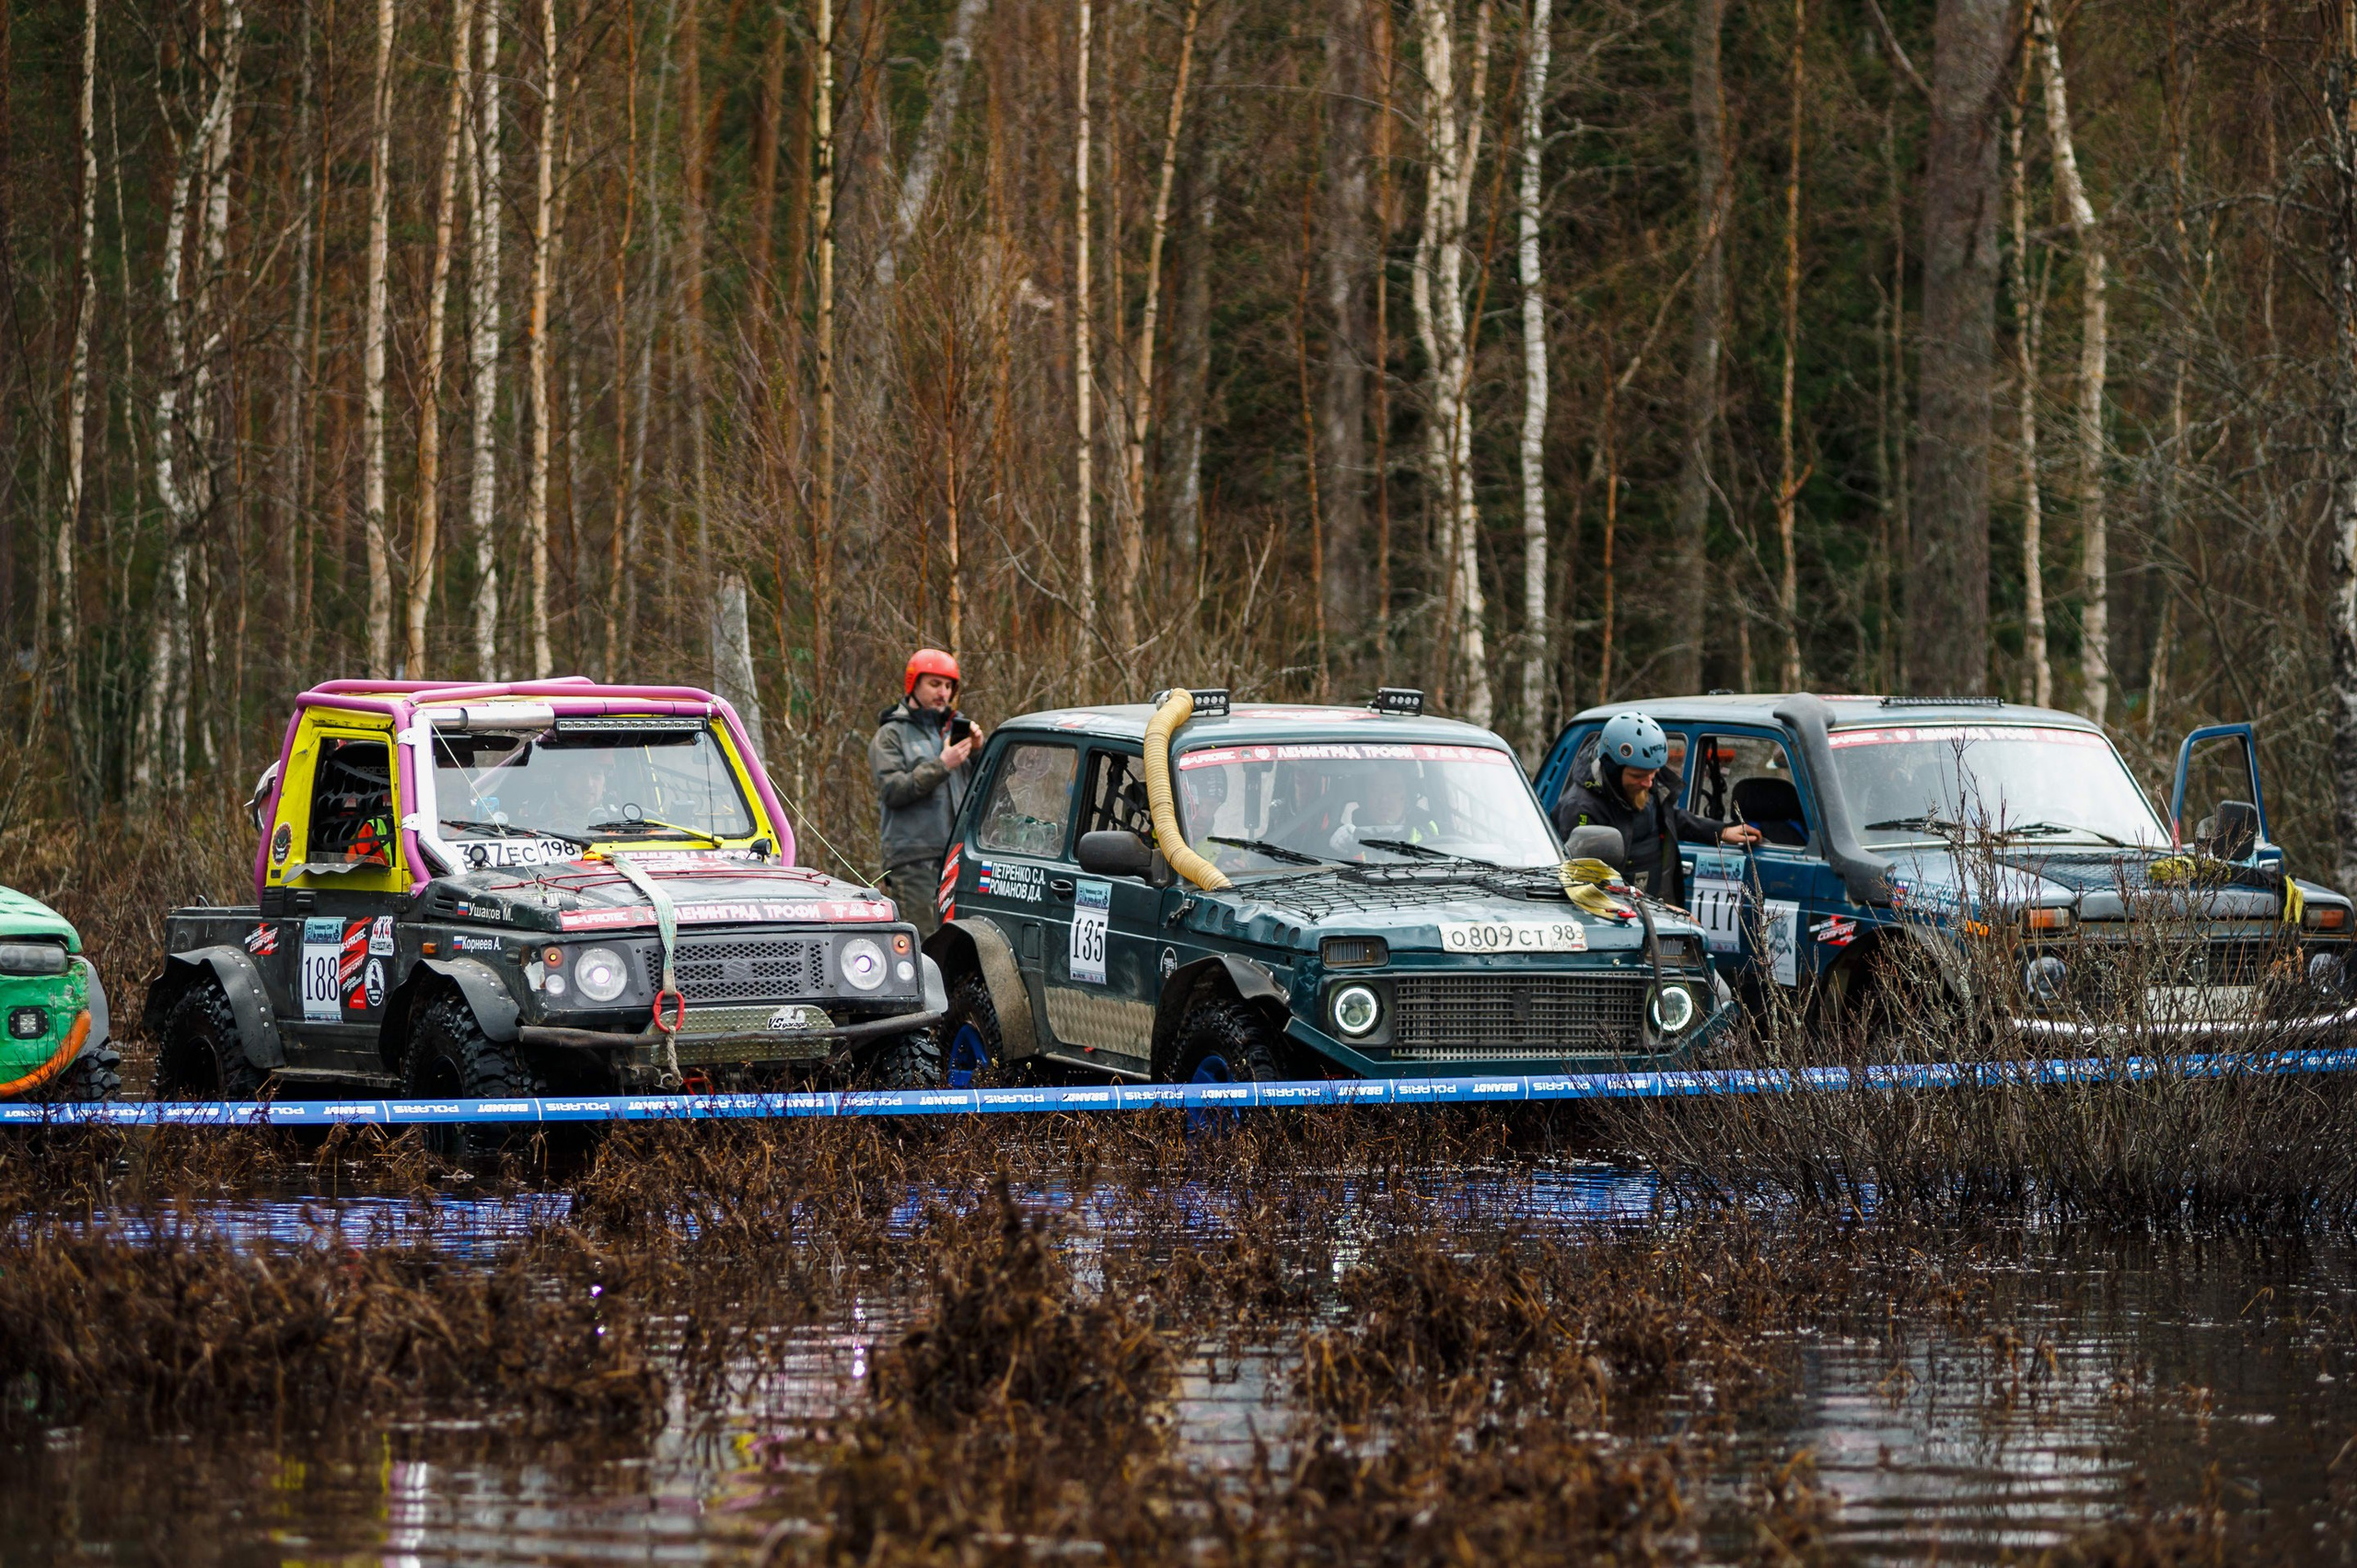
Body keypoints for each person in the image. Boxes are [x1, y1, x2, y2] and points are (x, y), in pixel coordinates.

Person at [1551, 711, 1759, 906]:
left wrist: (1720, 831)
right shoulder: (1579, 809)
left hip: (1653, 908)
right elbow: (1584, 889)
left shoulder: (1641, 786)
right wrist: (1661, 912)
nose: (1649, 783)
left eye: (1653, 774)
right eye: (1638, 776)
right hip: (1624, 916)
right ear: (1612, 768)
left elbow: (1670, 817)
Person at [870, 649, 984, 941]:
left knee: (960, 946)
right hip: (914, 863)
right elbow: (892, 790)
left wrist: (979, 752)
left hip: (958, 859)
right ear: (914, 684)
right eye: (934, 684)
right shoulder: (891, 734)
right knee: (924, 947)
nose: (943, 693)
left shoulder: (953, 732)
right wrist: (942, 765)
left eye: (948, 686)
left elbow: (985, 791)